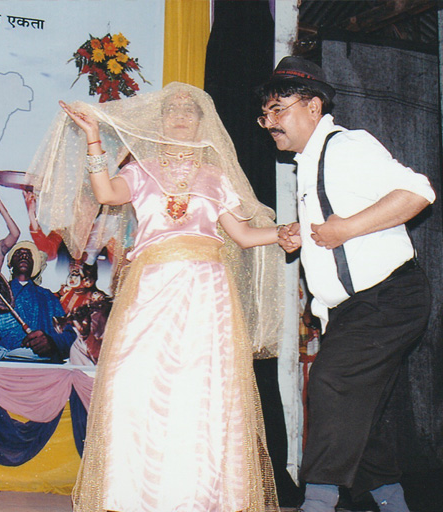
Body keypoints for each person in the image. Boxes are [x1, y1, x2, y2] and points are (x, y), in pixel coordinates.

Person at [32, 82, 286, 511]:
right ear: (159, 120)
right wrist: (93, 136)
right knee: (135, 381)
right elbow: (106, 193)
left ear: (202, 122)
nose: (181, 116)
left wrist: (285, 233)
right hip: (150, 289)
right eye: (172, 110)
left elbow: (243, 236)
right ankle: (133, 495)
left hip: (207, 293)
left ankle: (202, 497)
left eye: (190, 110)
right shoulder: (141, 171)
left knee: (204, 389)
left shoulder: (218, 178)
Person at [259, 56, 435, 512]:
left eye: (278, 110)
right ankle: (392, 502)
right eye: (265, 114)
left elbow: (418, 192)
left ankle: (318, 501)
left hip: (387, 297)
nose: (270, 123)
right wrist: (303, 234)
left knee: (332, 384)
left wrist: (346, 229)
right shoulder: (309, 163)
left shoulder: (346, 146)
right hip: (356, 309)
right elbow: (333, 223)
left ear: (313, 106)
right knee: (364, 413)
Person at [0, 241, 76, 363]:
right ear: (10, 263)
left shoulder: (48, 297)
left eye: (28, 255)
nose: (23, 256)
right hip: (0, 368)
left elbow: (70, 337)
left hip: (42, 368)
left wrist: (53, 342)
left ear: (35, 264)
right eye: (18, 253)